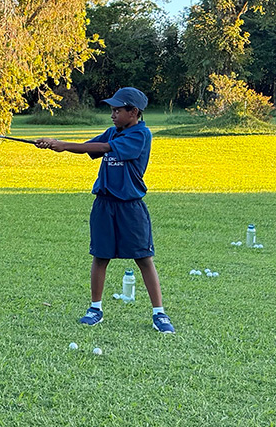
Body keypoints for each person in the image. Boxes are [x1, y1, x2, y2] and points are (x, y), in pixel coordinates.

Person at [34, 86, 174, 333]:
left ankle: (159, 314)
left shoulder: (141, 135)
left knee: (143, 258)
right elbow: (89, 147)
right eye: (112, 110)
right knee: (100, 256)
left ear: (133, 112)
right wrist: (52, 144)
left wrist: (63, 144)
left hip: (130, 206)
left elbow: (104, 149)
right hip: (104, 203)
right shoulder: (112, 131)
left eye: (117, 110)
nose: (112, 114)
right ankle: (95, 308)